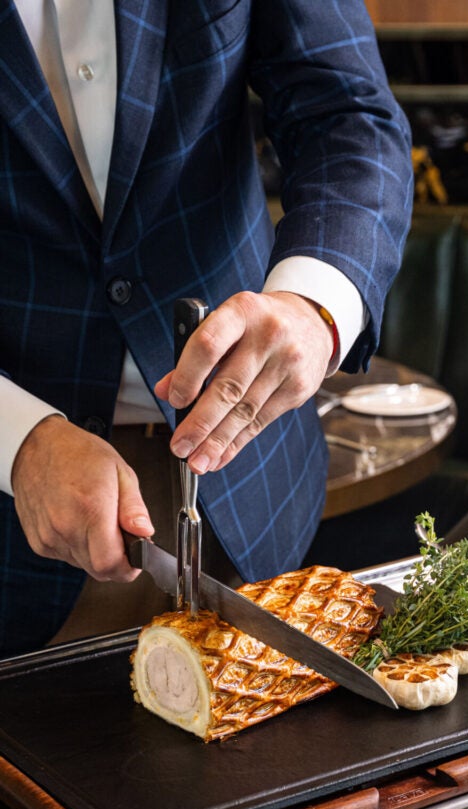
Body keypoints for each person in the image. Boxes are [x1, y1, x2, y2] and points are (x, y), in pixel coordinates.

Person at [0, 1, 413, 657]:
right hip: (15, 531)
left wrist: (315, 306)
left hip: (252, 492)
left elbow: (347, 116)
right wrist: (14, 438)